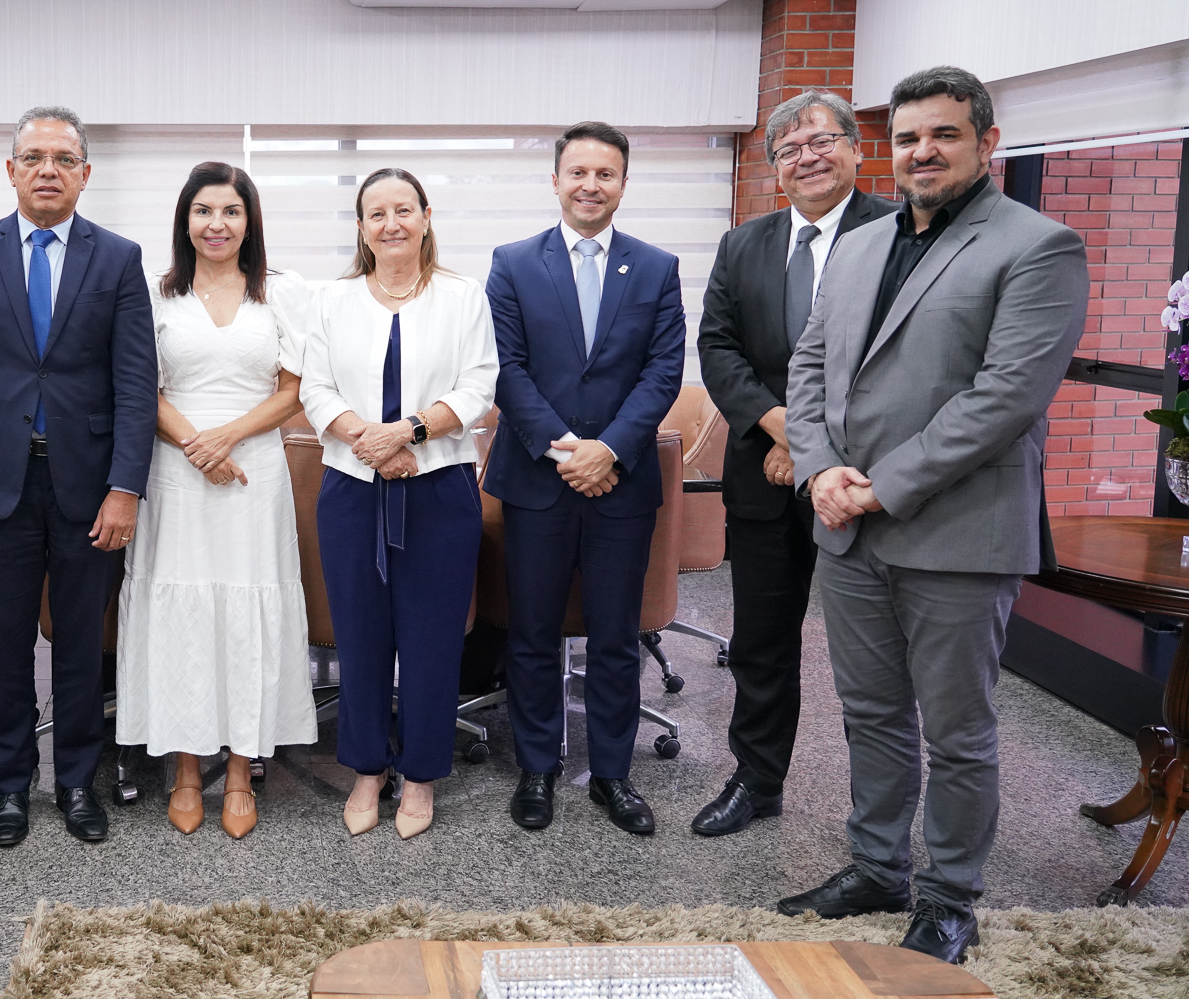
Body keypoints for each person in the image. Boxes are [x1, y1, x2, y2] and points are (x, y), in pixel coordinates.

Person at [781, 66, 1088, 964]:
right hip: (846, 527)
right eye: (909, 135)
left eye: (944, 134)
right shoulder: (862, 243)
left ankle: (950, 897)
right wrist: (819, 471)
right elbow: (811, 368)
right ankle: (877, 865)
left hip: (957, 531)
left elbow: (1005, 397)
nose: (923, 150)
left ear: (986, 143)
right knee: (870, 712)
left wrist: (882, 482)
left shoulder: (1039, 245)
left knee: (958, 730)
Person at [0, 105, 158, 848]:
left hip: (90, 489)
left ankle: (79, 783)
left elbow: (134, 382)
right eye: (34, 158)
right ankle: (12, 787)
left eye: (63, 159)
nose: (48, 171)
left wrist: (127, 487)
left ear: (85, 174)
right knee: (8, 643)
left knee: (84, 646)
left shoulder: (118, 259)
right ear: (11, 170)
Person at [692, 90, 898, 837]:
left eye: (821, 141)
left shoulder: (902, 233)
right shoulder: (744, 244)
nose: (806, 157)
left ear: (855, 148)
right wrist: (782, 431)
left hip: (863, 482)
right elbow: (719, 349)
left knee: (872, 657)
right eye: (788, 149)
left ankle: (877, 813)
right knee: (761, 642)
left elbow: (896, 364)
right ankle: (757, 779)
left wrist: (809, 449)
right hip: (765, 477)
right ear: (774, 166)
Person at [483, 121, 686, 837]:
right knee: (533, 632)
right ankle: (536, 768)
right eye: (579, 172)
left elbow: (664, 372)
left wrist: (611, 450)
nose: (591, 185)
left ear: (624, 184)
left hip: (621, 486)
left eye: (606, 174)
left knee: (615, 635)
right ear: (556, 180)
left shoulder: (657, 268)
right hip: (540, 480)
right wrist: (569, 449)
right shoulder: (512, 263)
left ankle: (612, 774)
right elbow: (505, 370)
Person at [115, 161, 317, 839]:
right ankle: (181, 768)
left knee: (245, 612)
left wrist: (225, 438)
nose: (217, 224)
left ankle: (238, 770)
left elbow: (294, 391)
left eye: (230, 211)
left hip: (254, 472)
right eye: (204, 211)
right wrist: (196, 444)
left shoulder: (282, 293)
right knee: (183, 614)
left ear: (249, 220)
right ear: (186, 220)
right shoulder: (155, 293)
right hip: (176, 473)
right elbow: (143, 387)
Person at [300, 167, 496, 842]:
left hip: (438, 487)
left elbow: (478, 386)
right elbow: (316, 390)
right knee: (359, 637)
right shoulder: (332, 299)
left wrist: (409, 434)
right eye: (376, 213)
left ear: (426, 216)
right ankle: (365, 768)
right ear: (360, 227)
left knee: (433, 639)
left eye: (403, 210)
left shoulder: (461, 296)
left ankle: (418, 776)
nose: (391, 223)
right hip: (352, 489)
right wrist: (371, 444)